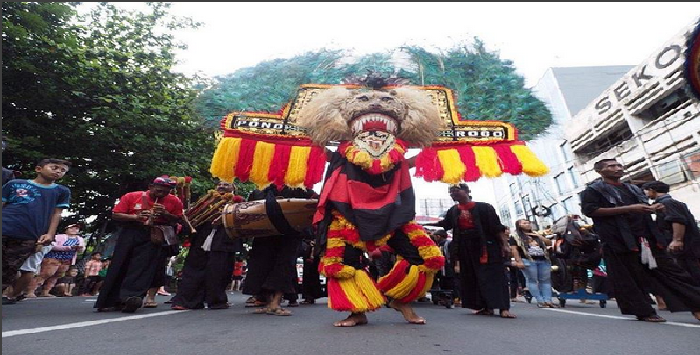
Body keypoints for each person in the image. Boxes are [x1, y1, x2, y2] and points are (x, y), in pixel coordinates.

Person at [580, 159, 700, 322]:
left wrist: (653, 209)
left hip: (647, 237)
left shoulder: (632, 188)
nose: (618, 168)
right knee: (629, 278)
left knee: (673, 273)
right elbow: (591, 211)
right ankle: (644, 311)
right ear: (600, 171)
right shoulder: (593, 190)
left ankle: (696, 306)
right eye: (612, 166)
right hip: (619, 240)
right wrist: (629, 208)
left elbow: (642, 209)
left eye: (619, 165)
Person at [94, 176, 183, 313]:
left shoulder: (174, 200)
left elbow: (177, 218)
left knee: (143, 266)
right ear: (151, 187)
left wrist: (165, 214)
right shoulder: (132, 196)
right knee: (120, 263)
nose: (162, 194)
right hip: (131, 231)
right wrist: (135, 217)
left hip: (154, 234)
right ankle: (109, 300)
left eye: (166, 191)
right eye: (159, 190)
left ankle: (131, 297)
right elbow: (116, 214)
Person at [428, 183, 515, 319]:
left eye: (456, 190)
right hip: (465, 248)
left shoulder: (484, 207)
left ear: (467, 191)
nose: (453, 194)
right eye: (451, 192)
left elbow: (497, 228)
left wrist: (505, 245)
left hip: (487, 247)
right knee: (474, 276)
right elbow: (445, 224)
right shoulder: (453, 210)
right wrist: (421, 224)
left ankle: (504, 308)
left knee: (494, 276)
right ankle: (486, 307)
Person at [2, 158, 71, 304]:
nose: (58, 171)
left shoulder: (61, 191)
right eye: (55, 167)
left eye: (62, 170)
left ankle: (11, 294)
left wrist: (50, 234)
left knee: (9, 269)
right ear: (38, 169)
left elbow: (56, 214)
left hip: (29, 235)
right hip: (4, 226)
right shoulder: (15, 184)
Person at [170, 180, 244, 310]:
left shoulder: (238, 202)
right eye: (219, 184)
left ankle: (216, 301)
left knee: (219, 270)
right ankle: (187, 301)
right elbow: (192, 216)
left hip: (223, 240)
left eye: (226, 184)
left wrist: (222, 220)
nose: (222, 186)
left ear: (233, 188)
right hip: (201, 238)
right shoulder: (205, 200)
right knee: (193, 268)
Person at [242, 184, 315, 317]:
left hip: (290, 236)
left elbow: (313, 203)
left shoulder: (299, 190)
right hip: (265, 236)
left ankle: (276, 303)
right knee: (263, 267)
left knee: (284, 267)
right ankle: (270, 303)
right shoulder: (261, 191)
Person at [642, 181, 700, 284]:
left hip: (687, 246)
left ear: (652, 190)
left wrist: (677, 240)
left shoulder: (667, 203)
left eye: (645, 191)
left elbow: (677, 220)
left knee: (692, 272)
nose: (645, 194)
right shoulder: (668, 202)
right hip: (688, 245)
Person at [29, 223, 86, 297]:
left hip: (67, 260)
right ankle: (30, 290)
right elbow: (52, 246)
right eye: (71, 228)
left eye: (76, 228)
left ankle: (46, 291)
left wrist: (80, 249)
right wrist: (69, 247)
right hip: (53, 258)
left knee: (56, 276)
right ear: (66, 230)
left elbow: (81, 250)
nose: (74, 230)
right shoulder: (59, 237)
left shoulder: (80, 239)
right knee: (46, 274)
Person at [510, 219, 555, 308]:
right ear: (519, 225)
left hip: (543, 259)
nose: (527, 224)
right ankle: (540, 300)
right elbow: (514, 249)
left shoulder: (536, 234)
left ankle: (548, 300)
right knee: (532, 280)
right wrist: (519, 261)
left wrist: (539, 236)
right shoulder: (515, 236)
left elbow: (549, 243)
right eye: (524, 223)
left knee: (545, 281)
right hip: (528, 260)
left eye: (528, 223)